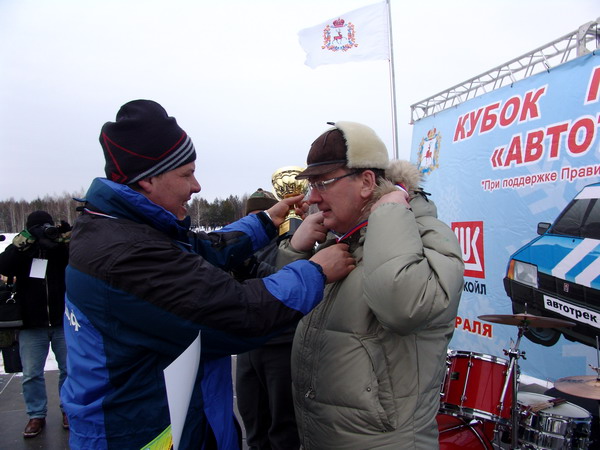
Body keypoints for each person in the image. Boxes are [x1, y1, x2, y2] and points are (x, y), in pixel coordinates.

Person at [60, 100, 355, 450]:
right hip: (145, 433)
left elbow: (200, 249)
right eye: (186, 174)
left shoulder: (123, 229)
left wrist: (267, 220)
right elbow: (238, 314)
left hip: (168, 420)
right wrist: (315, 271)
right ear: (149, 179)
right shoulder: (126, 255)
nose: (196, 186)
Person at [277, 121, 465, 449]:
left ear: (366, 182)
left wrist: (389, 211)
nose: (313, 198)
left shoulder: (428, 234)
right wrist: (295, 252)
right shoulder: (340, 241)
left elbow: (403, 308)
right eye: (311, 186)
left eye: (322, 184)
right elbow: (285, 313)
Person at [232, 188, 300, 450]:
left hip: (281, 345)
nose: (259, 219)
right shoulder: (240, 246)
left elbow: (288, 280)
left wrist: (249, 267)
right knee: (253, 419)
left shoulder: (289, 245)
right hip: (248, 345)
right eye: (253, 215)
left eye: (264, 213)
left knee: (283, 424)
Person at [0, 210, 71, 438]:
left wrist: (66, 238)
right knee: (31, 373)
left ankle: (68, 410)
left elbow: (79, 261)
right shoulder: (22, 251)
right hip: (31, 323)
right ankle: (36, 415)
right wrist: (22, 244)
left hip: (62, 320)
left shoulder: (59, 249)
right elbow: (3, 266)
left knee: (69, 370)